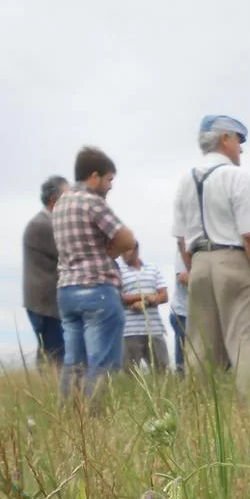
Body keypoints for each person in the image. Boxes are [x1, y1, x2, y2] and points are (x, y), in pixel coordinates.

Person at [172, 114, 250, 392]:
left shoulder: (184, 180)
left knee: (200, 346)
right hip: (236, 261)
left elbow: (181, 238)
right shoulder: (236, 176)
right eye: (239, 140)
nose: (241, 147)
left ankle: (198, 412)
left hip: (199, 264)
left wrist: (194, 267)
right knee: (247, 340)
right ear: (225, 138)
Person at [52, 147, 135, 399]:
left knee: (74, 362)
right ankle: (96, 418)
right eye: (109, 179)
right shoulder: (92, 202)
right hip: (97, 288)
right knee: (102, 361)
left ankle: (70, 417)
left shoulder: (60, 204)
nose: (110, 186)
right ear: (95, 176)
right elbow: (127, 239)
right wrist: (111, 253)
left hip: (67, 289)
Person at [23, 175, 69, 367]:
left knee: (52, 352)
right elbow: (67, 253)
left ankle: (48, 390)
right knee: (54, 353)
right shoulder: (42, 225)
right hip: (45, 304)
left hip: (48, 302)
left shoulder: (47, 223)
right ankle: (48, 391)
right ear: (53, 200)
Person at [118, 243, 170, 371]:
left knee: (162, 370)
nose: (123, 255)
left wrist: (146, 302)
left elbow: (163, 295)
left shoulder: (153, 269)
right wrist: (145, 295)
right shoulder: (118, 272)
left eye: (126, 251)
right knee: (130, 372)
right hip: (130, 330)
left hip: (154, 329)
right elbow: (119, 297)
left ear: (135, 250)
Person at [169, 250, 188, 373]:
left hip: (199, 311)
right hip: (183, 313)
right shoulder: (184, 248)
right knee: (183, 362)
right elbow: (182, 277)